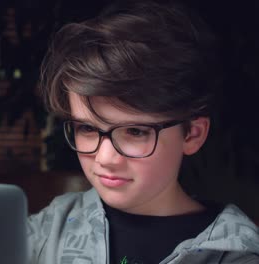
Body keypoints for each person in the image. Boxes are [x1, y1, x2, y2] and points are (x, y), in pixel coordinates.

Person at [27, 1, 259, 263]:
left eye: (135, 132)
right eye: (87, 128)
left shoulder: (236, 254)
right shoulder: (46, 229)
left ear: (192, 134)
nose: (105, 158)